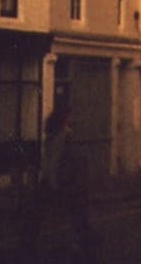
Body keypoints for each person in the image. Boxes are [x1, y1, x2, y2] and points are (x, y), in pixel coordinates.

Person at [29, 104, 93, 253]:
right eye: (70, 115)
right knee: (75, 210)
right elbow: (55, 160)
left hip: (52, 180)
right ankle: (76, 243)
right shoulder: (63, 135)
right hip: (61, 181)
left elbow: (48, 160)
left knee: (47, 212)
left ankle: (33, 241)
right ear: (64, 117)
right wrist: (54, 182)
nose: (72, 118)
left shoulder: (51, 135)